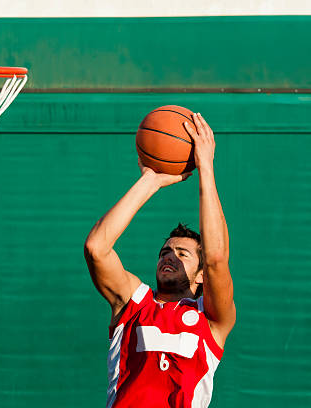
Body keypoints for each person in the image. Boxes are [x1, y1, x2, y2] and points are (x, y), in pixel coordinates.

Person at [84, 113, 235, 408]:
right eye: (165, 252)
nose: (170, 257)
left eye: (182, 254)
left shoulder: (213, 320)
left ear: (202, 275)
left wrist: (205, 166)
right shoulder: (134, 304)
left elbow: (216, 257)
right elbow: (96, 248)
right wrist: (149, 182)